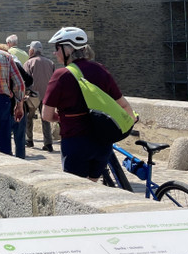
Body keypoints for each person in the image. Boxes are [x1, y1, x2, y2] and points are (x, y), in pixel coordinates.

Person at [41, 26, 133, 180]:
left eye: (57, 48)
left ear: (68, 49)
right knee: (92, 186)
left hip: (76, 142)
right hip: (103, 141)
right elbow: (123, 105)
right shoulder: (101, 69)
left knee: (77, 193)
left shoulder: (61, 75)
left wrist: (61, 118)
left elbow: (46, 115)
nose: (54, 52)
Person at [24, 40, 56, 152]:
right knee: (45, 119)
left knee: (28, 118)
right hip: (47, 95)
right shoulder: (50, 62)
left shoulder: (28, 63)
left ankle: (29, 140)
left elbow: (26, 81)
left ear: (32, 50)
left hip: (33, 95)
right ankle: (48, 143)